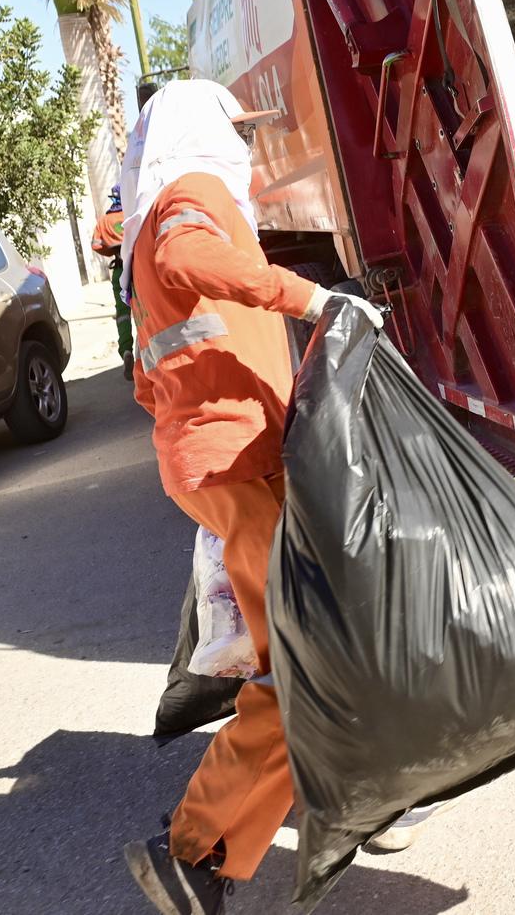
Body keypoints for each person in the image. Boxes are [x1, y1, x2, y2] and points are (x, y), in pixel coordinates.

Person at [118, 79, 383, 915]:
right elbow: (185, 259)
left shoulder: (151, 209)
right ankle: (192, 848)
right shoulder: (189, 196)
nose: (247, 146)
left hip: (223, 459)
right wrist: (310, 297)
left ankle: (340, 795)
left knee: (304, 650)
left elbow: (145, 375)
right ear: (205, 131)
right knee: (302, 668)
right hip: (235, 460)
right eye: (238, 129)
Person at [90, 188, 133, 379]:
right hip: (138, 268)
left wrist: (111, 251)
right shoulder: (132, 214)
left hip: (119, 269)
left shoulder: (104, 222)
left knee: (123, 313)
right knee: (145, 311)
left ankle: (126, 349)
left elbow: (96, 244)